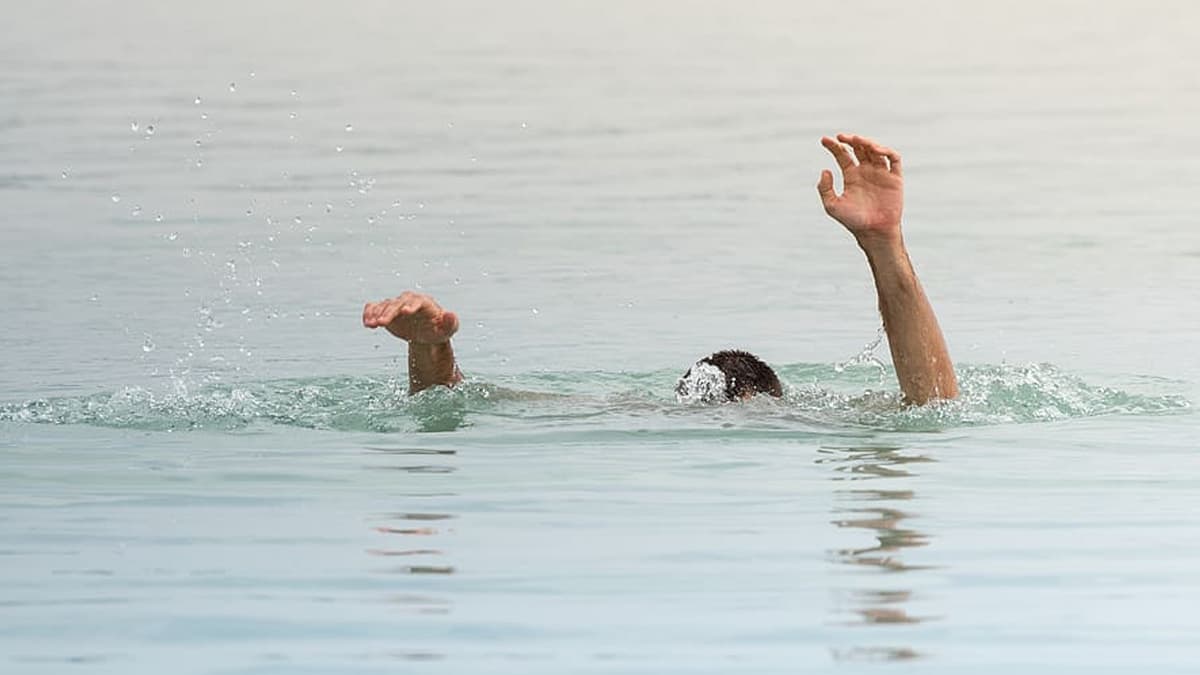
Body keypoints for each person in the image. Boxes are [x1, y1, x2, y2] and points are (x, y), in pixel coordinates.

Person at [362, 134, 958, 405]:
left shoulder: (626, 412)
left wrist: (429, 353)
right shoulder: (807, 423)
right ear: (770, 402)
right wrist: (886, 249)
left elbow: (455, 404)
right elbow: (933, 404)